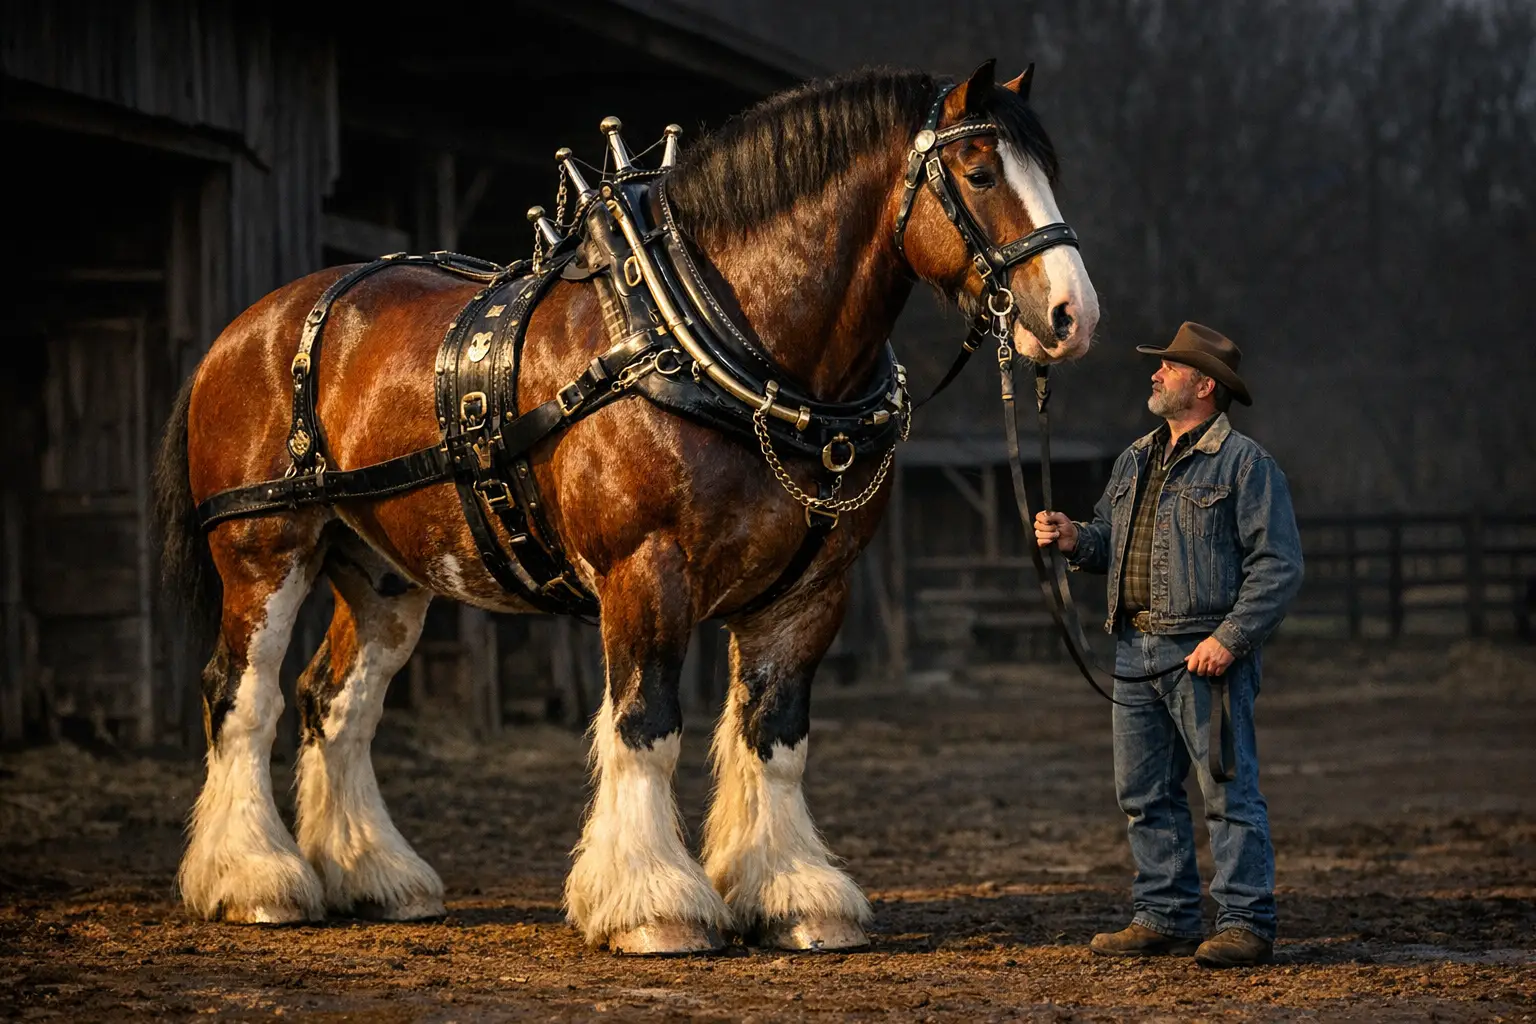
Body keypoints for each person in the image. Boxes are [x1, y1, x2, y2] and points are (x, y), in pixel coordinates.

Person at [1033, 322, 1303, 968]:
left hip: (1203, 655)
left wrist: (1229, 640)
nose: (1155, 375)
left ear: (1204, 385)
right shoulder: (1134, 460)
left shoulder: (1246, 467)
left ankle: (1245, 923)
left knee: (1225, 793)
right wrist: (1075, 537)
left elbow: (1279, 567)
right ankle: (1165, 914)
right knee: (1142, 793)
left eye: (1170, 368)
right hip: (1134, 651)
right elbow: (1110, 539)